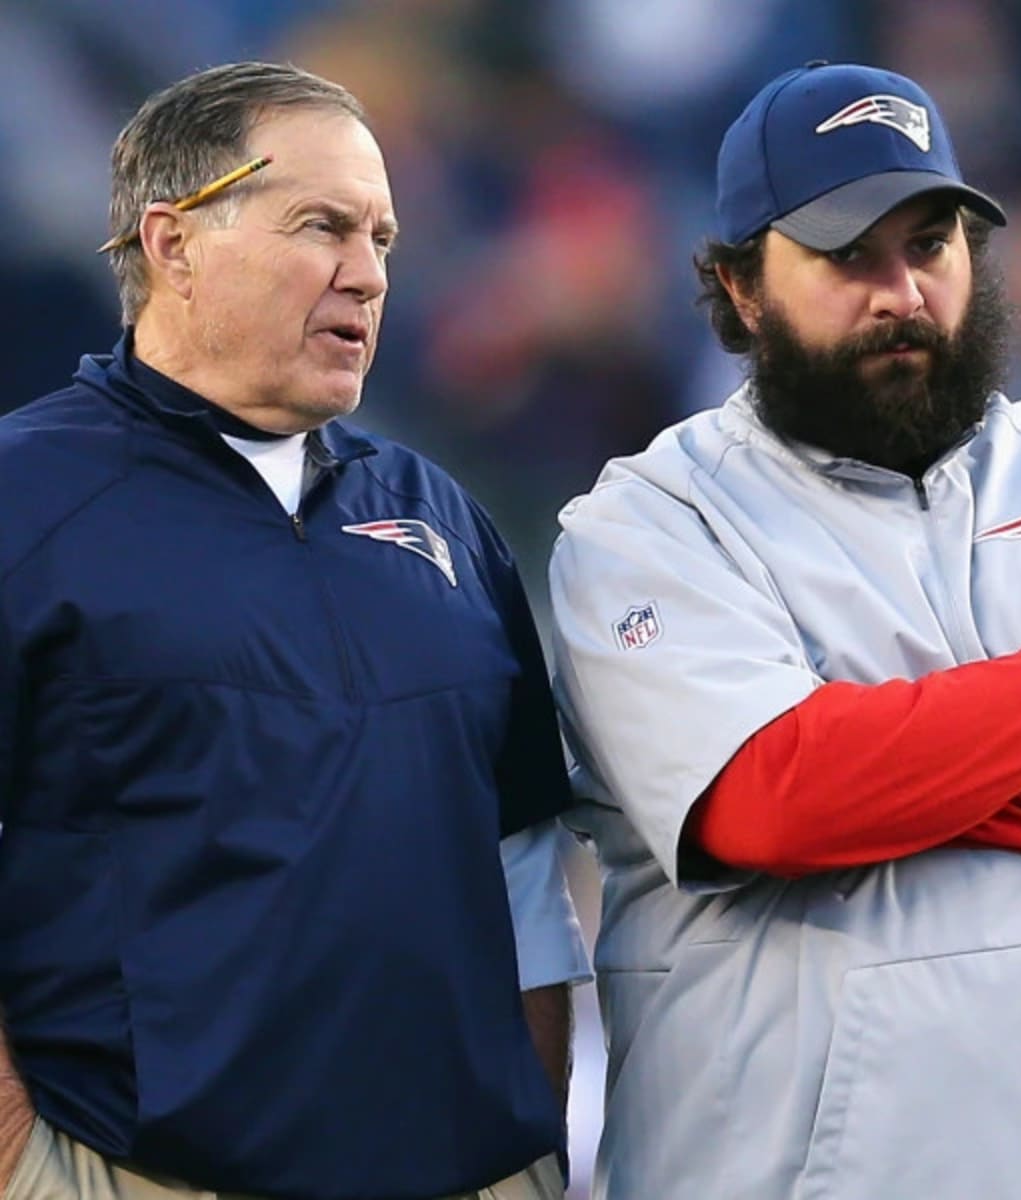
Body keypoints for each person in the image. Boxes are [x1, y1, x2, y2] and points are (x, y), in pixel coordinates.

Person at [548, 60, 1021, 1200]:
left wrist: (889, 770)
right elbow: (774, 800)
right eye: (848, 253)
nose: (900, 290)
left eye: (932, 242)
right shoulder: (650, 522)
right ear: (741, 287)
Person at [0, 61, 589, 1200]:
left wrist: (533, 1145)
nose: (367, 276)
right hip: (138, 1170)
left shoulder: (442, 516)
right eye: (321, 226)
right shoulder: (22, 501)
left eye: (383, 238)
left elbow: (521, 866)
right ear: (173, 244)